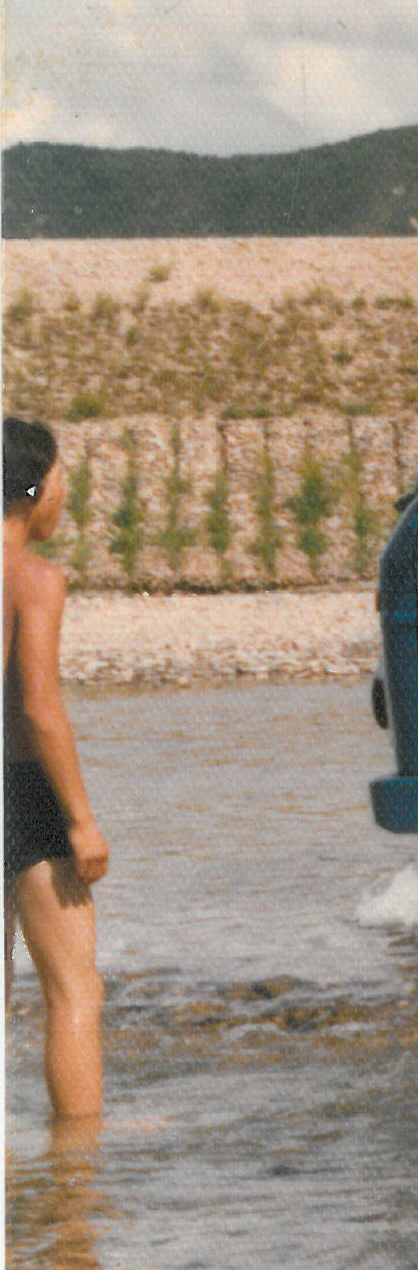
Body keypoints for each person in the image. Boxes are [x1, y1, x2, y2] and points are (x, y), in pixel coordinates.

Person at [5, 415, 109, 1127]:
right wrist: (80, 818)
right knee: (74, 991)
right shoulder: (34, 579)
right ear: (35, 488)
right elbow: (41, 706)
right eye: (62, 477)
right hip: (18, 790)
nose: (65, 493)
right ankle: (77, 1174)